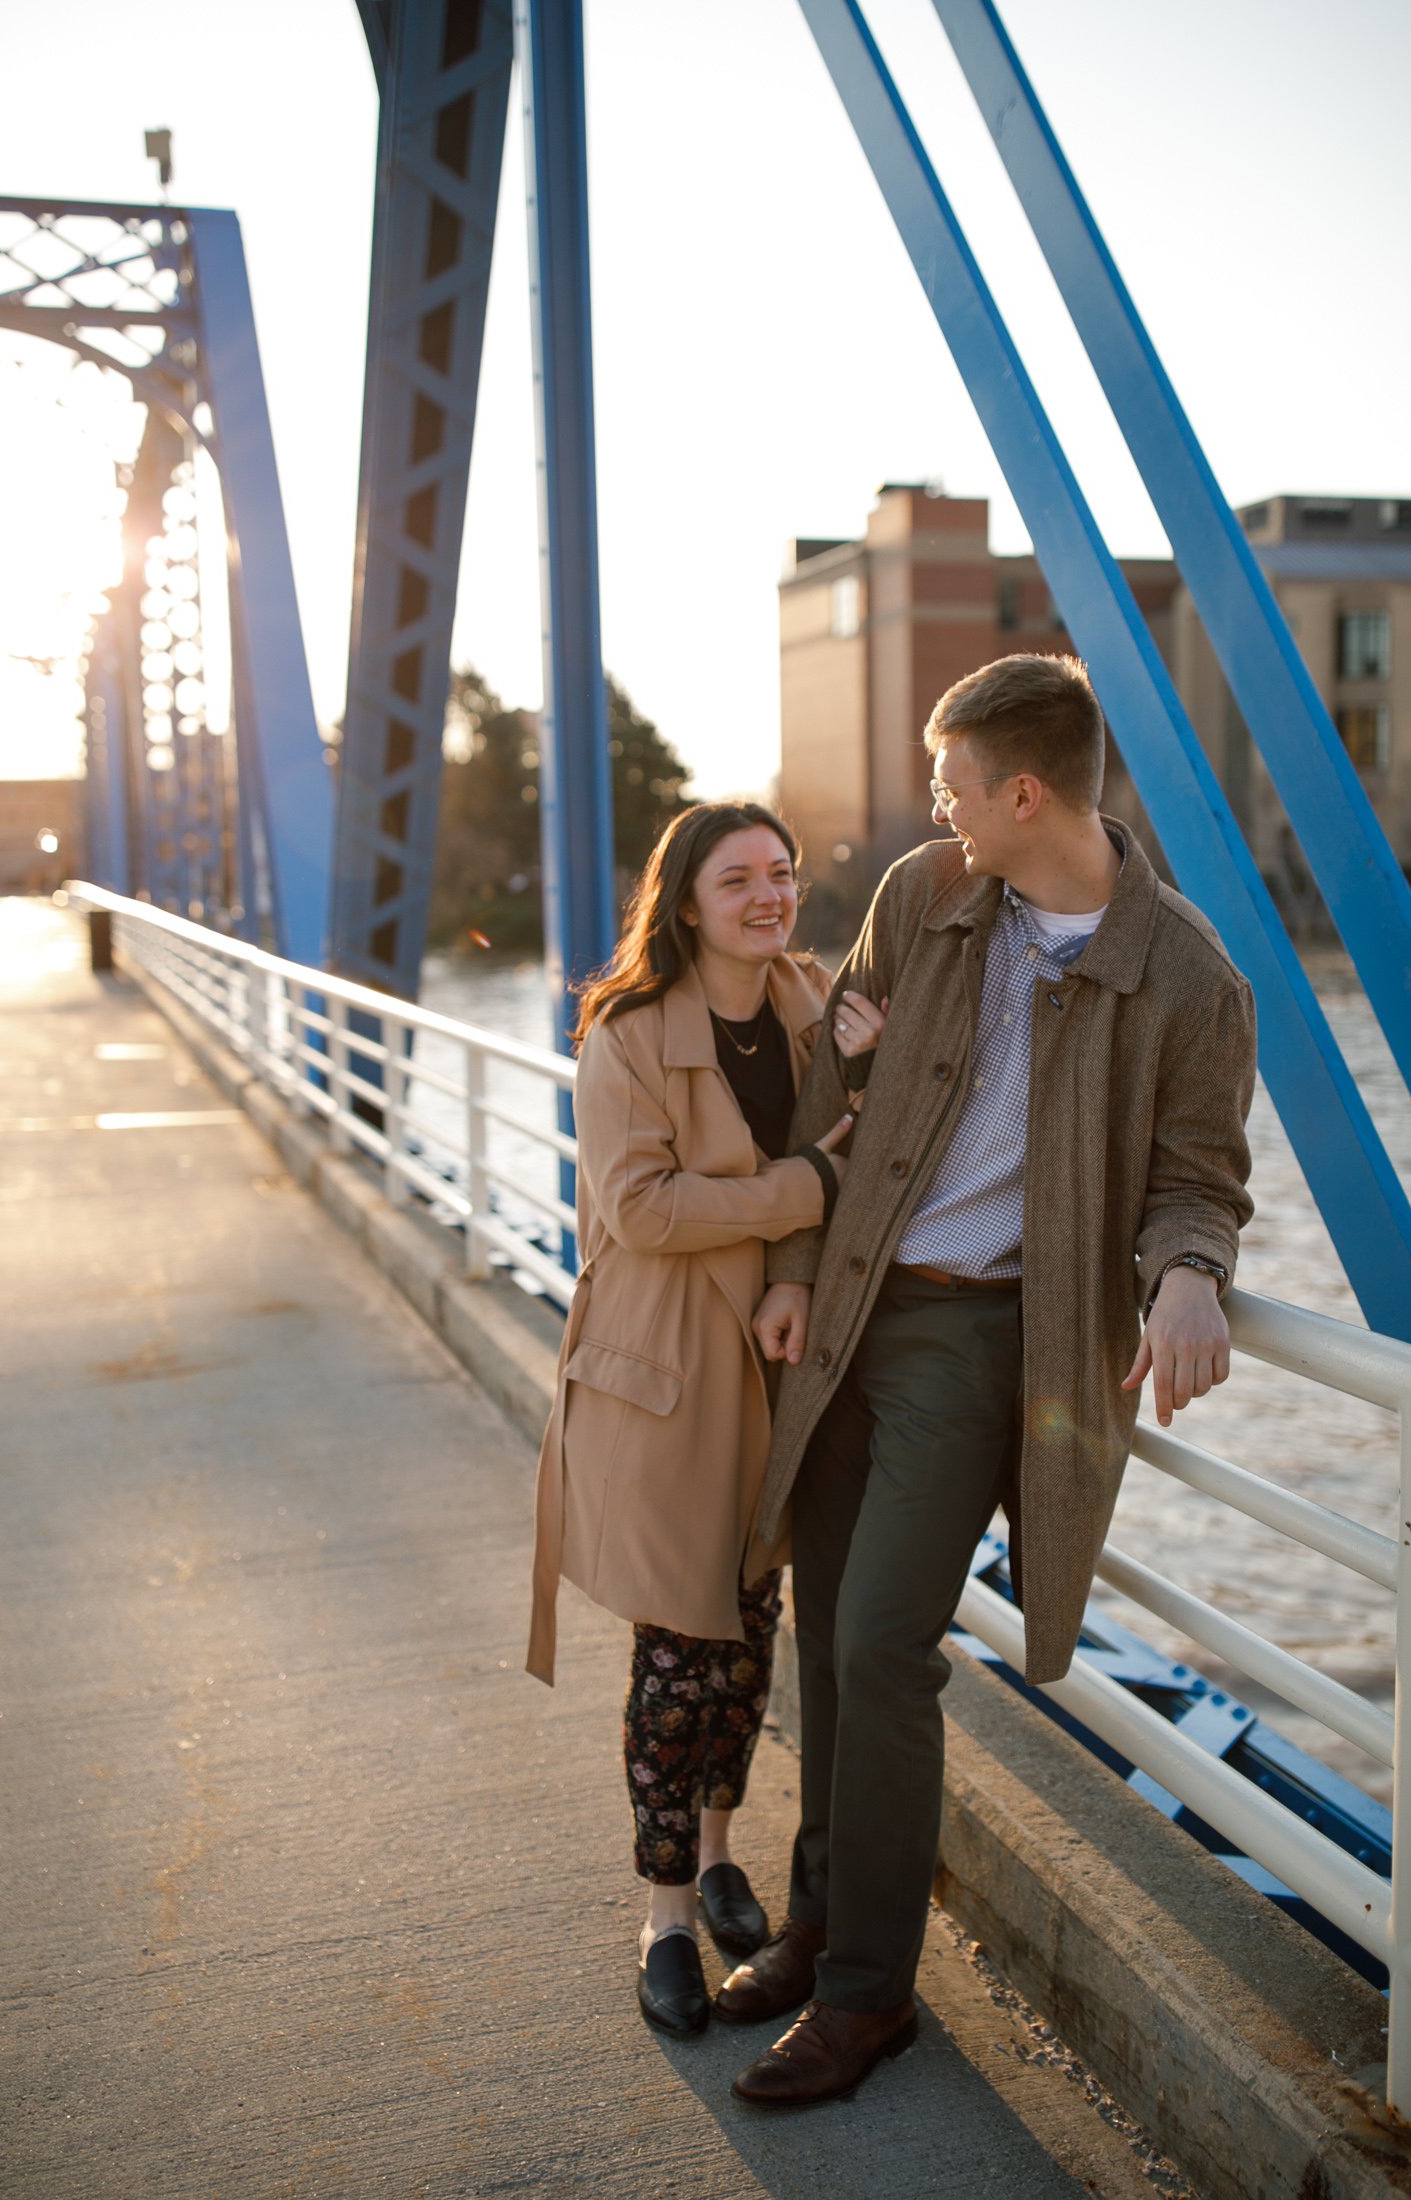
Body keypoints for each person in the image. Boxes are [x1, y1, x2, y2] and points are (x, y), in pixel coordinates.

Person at [714, 653, 1256, 2107]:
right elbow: (833, 1094)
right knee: (822, 1622)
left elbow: (1198, 1178)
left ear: (1023, 794)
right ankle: (821, 1909)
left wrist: (1190, 1272)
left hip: (977, 1340)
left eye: (953, 783)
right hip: (848, 1304)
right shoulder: (923, 899)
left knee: (886, 1641)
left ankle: (861, 1997)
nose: (935, 805)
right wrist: (783, 1273)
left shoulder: (1188, 978)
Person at [526, 801, 862, 2038]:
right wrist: (803, 1186)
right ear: (686, 904)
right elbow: (645, 1209)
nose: (770, 897)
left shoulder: (813, 1001)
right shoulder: (623, 1035)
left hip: (778, 1358)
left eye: (782, 873)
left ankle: (722, 1853)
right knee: (678, 1655)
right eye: (739, 880)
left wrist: (791, 1264)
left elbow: (864, 1144)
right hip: (667, 1365)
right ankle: (664, 1915)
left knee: (749, 1628)